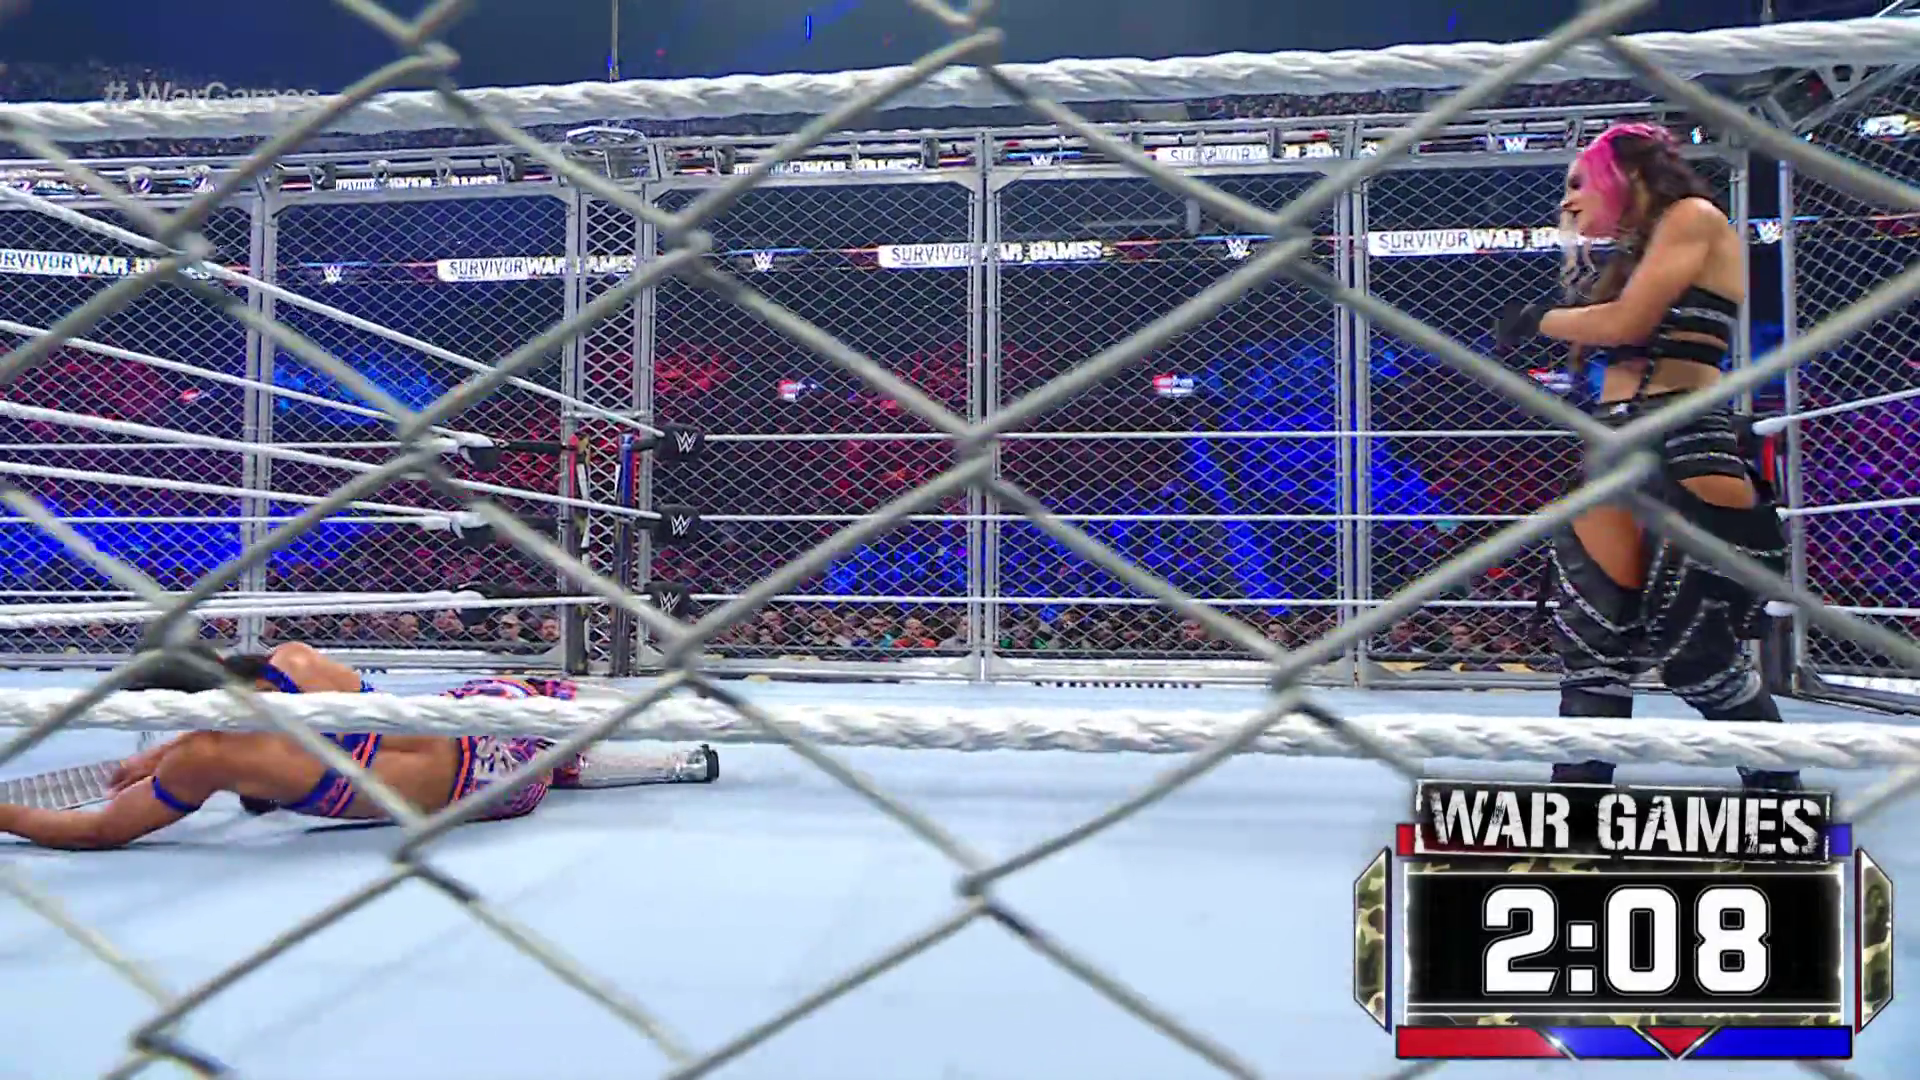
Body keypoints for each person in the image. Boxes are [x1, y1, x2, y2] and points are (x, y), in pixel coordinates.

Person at [1495, 122, 1798, 791]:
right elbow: (1609, 326)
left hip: (1679, 436)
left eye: (1579, 182)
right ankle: (1576, 801)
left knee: (1695, 651)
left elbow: (1626, 324)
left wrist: (1535, 318)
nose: (1568, 200)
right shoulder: (1638, 252)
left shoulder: (1694, 216)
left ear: (1625, 173)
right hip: (1615, 439)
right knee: (1593, 640)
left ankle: (1778, 791)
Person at [0, 642, 716, 850]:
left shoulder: (205, 759)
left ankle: (629, 761)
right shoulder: (298, 663)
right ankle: (677, 720)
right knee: (515, 694)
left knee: (539, 762)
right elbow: (246, 699)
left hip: (497, 797)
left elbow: (97, 830)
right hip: (498, 723)